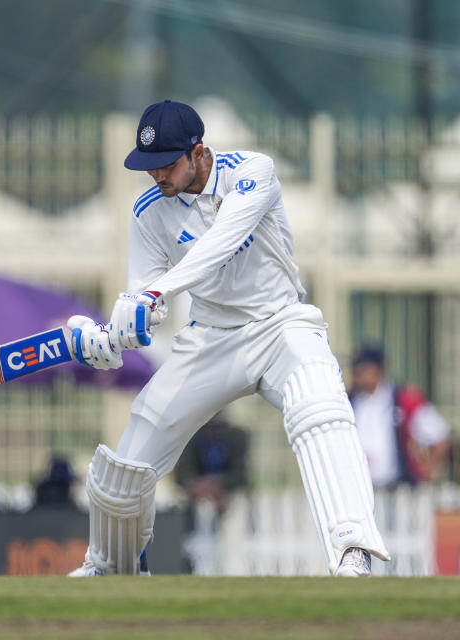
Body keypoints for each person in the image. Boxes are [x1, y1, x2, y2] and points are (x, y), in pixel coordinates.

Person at [65, 99, 388, 577]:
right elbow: (145, 306)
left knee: (320, 407)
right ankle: (111, 568)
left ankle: (351, 551)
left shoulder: (253, 170)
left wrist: (157, 290)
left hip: (281, 323)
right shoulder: (148, 211)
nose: (157, 176)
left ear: (198, 153)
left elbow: (220, 245)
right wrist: (114, 337)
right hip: (211, 337)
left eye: (167, 163)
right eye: (148, 166)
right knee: (126, 463)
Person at [349, 344, 451, 488]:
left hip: (398, 490)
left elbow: (440, 434)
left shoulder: (404, 399)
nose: (358, 374)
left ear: (378, 370)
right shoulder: (350, 401)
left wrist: (429, 467)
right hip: (359, 488)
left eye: (363, 369)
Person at [174, 414, 249, 515]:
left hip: (229, 494)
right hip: (197, 494)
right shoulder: (192, 437)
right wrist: (199, 487)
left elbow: (240, 473)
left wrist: (217, 485)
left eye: (218, 428)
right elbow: (182, 472)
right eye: (210, 428)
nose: (214, 433)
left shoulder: (237, 437)